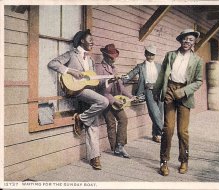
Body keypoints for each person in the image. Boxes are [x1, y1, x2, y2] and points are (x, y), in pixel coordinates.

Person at [48, 29, 109, 170]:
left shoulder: (90, 60)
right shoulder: (71, 54)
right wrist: (70, 71)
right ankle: (81, 118)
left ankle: (95, 157)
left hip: (88, 92)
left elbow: (94, 81)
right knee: (103, 101)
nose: (93, 42)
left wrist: (109, 80)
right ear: (82, 40)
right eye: (90, 39)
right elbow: (53, 63)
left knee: (93, 123)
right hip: (75, 90)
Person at [153, 29, 203, 176]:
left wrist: (185, 91)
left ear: (194, 43)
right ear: (180, 40)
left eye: (191, 40)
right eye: (185, 39)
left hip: (185, 94)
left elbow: (199, 81)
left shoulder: (197, 60)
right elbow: (162, 74)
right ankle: (163, 162)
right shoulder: (170, 55)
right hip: (169, 90)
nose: (187, 42)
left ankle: (184, 160)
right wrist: (157, 91)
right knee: (168, 129)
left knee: (182, 131)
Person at [95, 44, 136, 159]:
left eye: (114, 57)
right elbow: (100, 89)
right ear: (105, 56)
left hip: (116, 98)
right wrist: (112, 101)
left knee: (123, 119)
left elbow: (121, 86)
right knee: (111, 123)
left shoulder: (114, 68)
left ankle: (120, 145)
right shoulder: (99, 68)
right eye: (110, 57)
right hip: (105, 99)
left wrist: (130, 95)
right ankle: (115, 148)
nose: (113, 59)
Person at [122, 45, 163, 143]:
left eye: (152, 54)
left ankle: (156, 134)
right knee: (154, 113)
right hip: (148, 90)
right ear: (145, 54)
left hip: (160, 90)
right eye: (148, 54)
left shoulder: (159, 66)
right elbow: (130, 74)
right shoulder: (140, 66)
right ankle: (164, 132)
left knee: (160, 113)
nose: (150, 56)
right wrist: (121, 80)